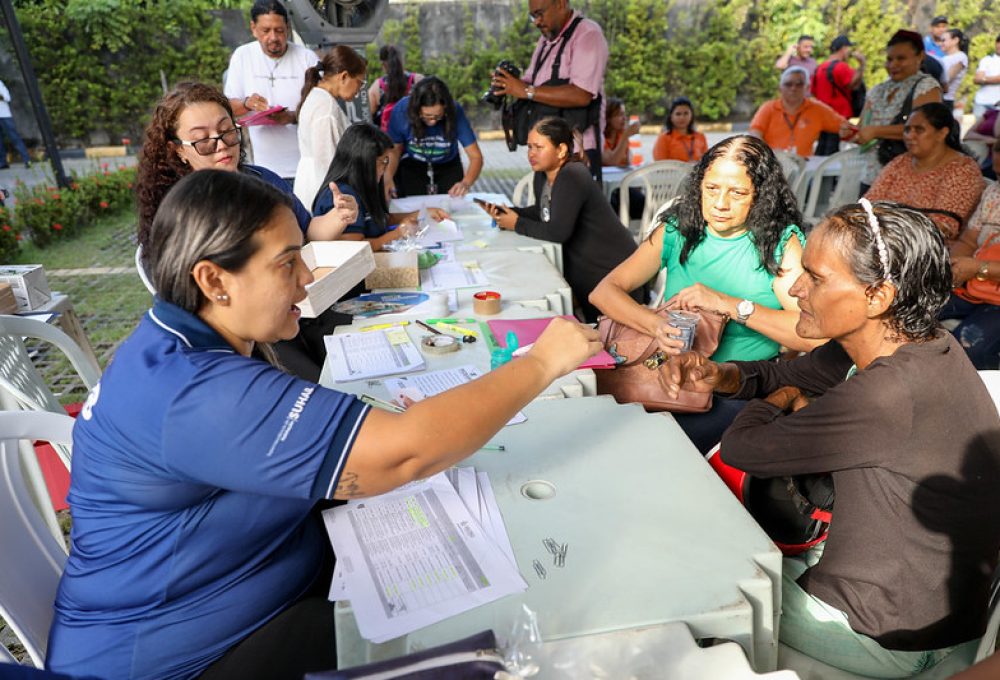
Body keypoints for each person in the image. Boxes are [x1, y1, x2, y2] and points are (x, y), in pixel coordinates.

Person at [47, 168, 601, 680]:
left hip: (236, 598)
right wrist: (541, 362)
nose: (308, 278)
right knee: (500, 644)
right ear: (215, 280)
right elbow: (404, 454)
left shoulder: (178, 344)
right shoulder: (195, 391)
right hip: (174, 660)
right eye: (288, 262)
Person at [663, 200, 1000, 678]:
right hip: (929, 606)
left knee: (681, 570)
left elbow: (745, 448)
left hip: (880, 633)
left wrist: (779, 397)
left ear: (877, 296)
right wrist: (721, 375)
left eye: (816, 279)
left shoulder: (889, 393)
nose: (797, 289)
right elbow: (786, 371)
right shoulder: (918, 344)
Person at [589, 135, 820, 453]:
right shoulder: (679, 230)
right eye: (711, 189)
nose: (720, 203)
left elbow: (810, 336)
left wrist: (728, 304)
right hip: (664, 376)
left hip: (736, 387)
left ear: (761, 196)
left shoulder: (780, 245)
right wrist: (655, 326)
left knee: (657, 448)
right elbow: (604, 292)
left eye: (737, 193)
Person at [135, 82, 358, 382]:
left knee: (355, 349)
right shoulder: (181, 214)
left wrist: (338, 216)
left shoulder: (262, 180)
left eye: (227, 131)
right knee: (317, 382)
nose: (221, 144)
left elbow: (308, 232)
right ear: (178, 151)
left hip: (298, 306)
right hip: (250, 330)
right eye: (202, 140)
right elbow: (195, 305)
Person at [479, 117, 641, 323]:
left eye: (538, 147)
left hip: (612, 276)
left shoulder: (573, 176)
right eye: (529, 147)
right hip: (589, 273)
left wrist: (517, 224)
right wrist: (511, 213)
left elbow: (557, 232)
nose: (531, 154)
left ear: (561, 150)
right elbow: (543, 212)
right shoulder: (543, 174)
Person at [490, 0, 609, 180]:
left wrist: (527, 91)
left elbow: (582, 94)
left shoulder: (587, 34)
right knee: (544, 207)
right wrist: (509, 84)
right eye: (533, 16)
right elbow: (532, 82)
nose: (536, 22)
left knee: (567, 208)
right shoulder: (546, 41)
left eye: (539, 14)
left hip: (576, 153)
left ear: (560, 4)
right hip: (546, 151)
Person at [313, 123, 450, 251]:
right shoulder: (344, 195)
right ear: (364, 162)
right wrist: (398, 233)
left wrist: (422, 214)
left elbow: (380, 220)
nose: (385, 168)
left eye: (387, 161)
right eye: (383, 161)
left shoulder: (365, 185)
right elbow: (354, 249)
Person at [224, 0, 316, 180]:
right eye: (266, 31)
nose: (273, 37)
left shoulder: (306, 58)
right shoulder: (243, 56)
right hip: (262, 169)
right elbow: (227, 109)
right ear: (253, 28)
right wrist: (247, 103)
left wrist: (290, 117)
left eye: (279, 30)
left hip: (305, 169)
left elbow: (319, 110)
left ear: (288, 27)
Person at [864, 102, 982, 241]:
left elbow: (944, 227)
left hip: (928, 250)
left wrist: (885, 223)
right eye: (907, 130)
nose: (910, 136)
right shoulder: (901, 162)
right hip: (884, 240)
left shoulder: (962, 170)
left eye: (919, 130)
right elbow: (868, 204)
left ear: (942, 133)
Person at [853, 30, 942, 193]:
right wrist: (851, 132)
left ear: (920, 56)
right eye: (889, 59)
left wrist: (876, 132)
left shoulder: (927, 86)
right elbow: (861, 128)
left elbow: (925, 130)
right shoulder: (877, 90)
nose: (893, 65)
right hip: (871, 175)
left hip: (908, 176)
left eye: (901, 58)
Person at [940, 140, 1000, 369]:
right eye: (997, 174)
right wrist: (951, 267)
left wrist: (977, 268)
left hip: (987, 288)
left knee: (964, 347)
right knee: (911, 310)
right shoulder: (994, 192)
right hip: (975, 286)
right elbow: (968, 240)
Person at [292, 46, 367, 209]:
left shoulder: (320, 98)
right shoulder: (325, 108)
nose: (358, 90)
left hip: (314, 183)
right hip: (322, 189)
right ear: (344, 76)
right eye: (359, 83)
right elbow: (328, 162)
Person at [384, 76, 483, 198]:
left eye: (438, 116)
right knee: (413, 208)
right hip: (413, 166)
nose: (432, 122)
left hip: (448, 166)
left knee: (451, 209)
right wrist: (388, 177)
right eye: (426, 116)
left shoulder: (455, 110)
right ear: (416, 109)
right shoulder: (401, 110)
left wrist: (466, 183)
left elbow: (476, 156)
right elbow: (395, 150)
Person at [749, 66, 846, 158]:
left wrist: (847, 132)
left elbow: (847, 128)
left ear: (807, 87)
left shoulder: (818, 109)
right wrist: (767, 155)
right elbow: (754, 134)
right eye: (788, 84)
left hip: (805, 168)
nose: (793, 88)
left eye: (799, 84)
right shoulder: (768, 108)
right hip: (772, 164)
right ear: (780, 88)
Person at [812, 35, 866, 156]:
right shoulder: (841, 67)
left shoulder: (819, 68)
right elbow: (853, 84)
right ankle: (830, 176)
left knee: (821, 151)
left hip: (822, 117)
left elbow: (813, 92)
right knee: (833, 154)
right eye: (848, 48)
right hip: (839, 118)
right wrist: (862, 65)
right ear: (843, 48)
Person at [368, 45, 422, 131]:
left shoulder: (377, 86)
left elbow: (367, 115)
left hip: (389, 139)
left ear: (382, 65)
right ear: (401, 61)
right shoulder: (417, 80)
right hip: (414, 137)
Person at [652, 96, 708, 163]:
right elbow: (660, 166)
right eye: (678, 114)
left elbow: (706, 163)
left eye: (686, 113)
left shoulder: (700, 137)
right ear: (671, 117)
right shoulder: (664, 138)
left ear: (691, 115)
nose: (682, 117)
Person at [601, 97, 640, 168]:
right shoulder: (600, 137)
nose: (624, 118)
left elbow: (628, 161)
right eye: (619, 115)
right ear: (608, 118)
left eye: (624, 114)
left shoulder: (620, 134)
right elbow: (612, 161)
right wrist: (626, 135)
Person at [0, 79, 30, 168]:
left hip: (5, 116)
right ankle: (3, 163)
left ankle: (27, 160)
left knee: (14, 138)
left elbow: (7, 98)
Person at [940, 28, 969, 111]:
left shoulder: (960, 57)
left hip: (945, 100)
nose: (941, 44)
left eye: (944, 40)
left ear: (955, 40)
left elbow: (947, 78)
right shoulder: (945, 58)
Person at [972, 34, 1000, 119]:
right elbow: (976, 79)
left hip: (998, 103)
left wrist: (984, 79)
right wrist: (995, 79)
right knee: (978, 130)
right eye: (998, 42)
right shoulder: (986, 59)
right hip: (981, 102)